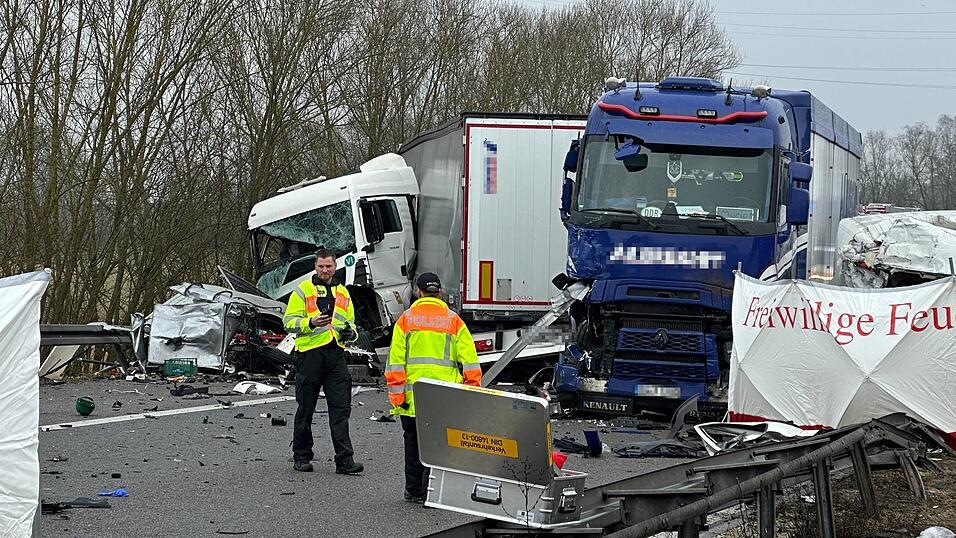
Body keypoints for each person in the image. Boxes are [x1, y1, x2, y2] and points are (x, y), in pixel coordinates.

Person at [386, 273, 482, 503]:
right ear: (439, 293)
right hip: (444, 398)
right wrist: (471, 393)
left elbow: (395, 362)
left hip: (412, 398)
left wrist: (398, 398)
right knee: (439, 446)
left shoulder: (406, 320)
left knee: (413, 444)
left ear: (418, 292)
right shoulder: (454, 321)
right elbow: (470, 361)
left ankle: (413, 491)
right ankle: (432, 492)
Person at [283, 248, 363, 474]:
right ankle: (301, 456)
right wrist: (311, 322)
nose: (325, 270)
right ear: (315, 267)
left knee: (340, 409)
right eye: (321, 266)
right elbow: (288, 322)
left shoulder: (344, 293)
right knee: (305, 408)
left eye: (329, 266)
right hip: (310, 355)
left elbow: (352, 325)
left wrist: (350, 334)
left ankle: (345, 460)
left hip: (335, 354)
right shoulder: (303, 291)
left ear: (335, 267)